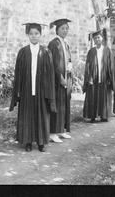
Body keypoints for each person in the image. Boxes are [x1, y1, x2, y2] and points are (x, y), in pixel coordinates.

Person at [10, 23, 56, 152]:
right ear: (27, 35)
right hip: (27, 89)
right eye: (31, 34)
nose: (34, 36)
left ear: (40, 35)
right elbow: (18, 73)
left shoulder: (46, 52)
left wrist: (49, 92)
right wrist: (18, 92)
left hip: (41, 90)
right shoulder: (23, 52)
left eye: (36, 33)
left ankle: (41, 142)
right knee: (28, 115)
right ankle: (28, 141)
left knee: (41, 114)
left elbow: (50, 73)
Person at [83, 29, 115, 122]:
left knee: (104, 95)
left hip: (104, 76)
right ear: (93, 40)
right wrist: (89, 77)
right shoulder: (91, 51)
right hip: (94, 76)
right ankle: (93, 116)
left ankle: (103, 116)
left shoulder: (107, 50)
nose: (97, 39)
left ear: (102, 38)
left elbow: (111, 65)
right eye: (95, 38)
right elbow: (88, 66)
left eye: (98, 37)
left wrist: (110, 77)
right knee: (93, 95)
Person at [47, 18, 73, 143]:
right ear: (57, 30)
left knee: (63, 105)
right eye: (62, 28)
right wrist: (60, 77)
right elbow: (54, 64)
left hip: (66, 78)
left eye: (67, 28)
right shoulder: (54, 44)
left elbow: (68, 61)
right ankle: (52, 132)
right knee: (56, 104)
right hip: (57, 81)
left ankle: (61, 130)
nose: (65, 30)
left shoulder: (65, 43)